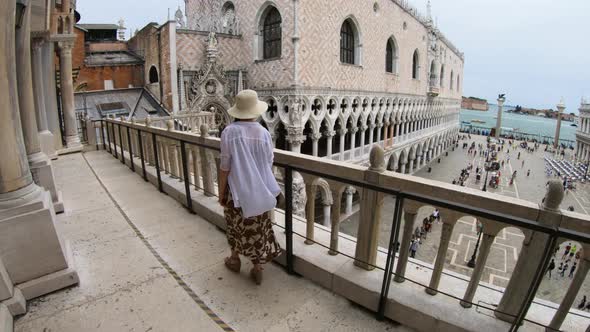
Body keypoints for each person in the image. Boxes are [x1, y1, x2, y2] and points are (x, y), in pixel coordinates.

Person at [219, 90, 282, 285]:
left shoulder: (229, 132)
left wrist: (221, 192)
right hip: (260, 189)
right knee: (258, 227)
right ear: (255, 111)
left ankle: (235, 259)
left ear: (237, 111)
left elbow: (225, 167)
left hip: (236, 190)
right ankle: (257, 267)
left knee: (235, 225)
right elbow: (269, 161)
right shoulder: (263, 133)